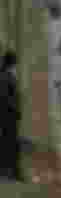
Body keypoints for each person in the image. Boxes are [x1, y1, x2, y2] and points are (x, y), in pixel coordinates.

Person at [0, 51, 21, 181]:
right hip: (8, 117)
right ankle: (10, 172)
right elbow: (5, 98)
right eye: (14, 64)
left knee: (10, 143)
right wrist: (15, 109)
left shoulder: (7, 76)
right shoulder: (5, 77)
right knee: (10, 144)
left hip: (9, 116)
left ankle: (11, 171)